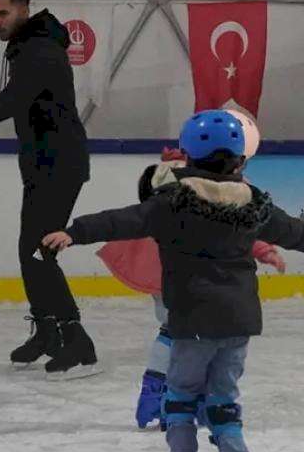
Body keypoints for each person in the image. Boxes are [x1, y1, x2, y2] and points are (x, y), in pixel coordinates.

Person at [42, 110, 304, 452]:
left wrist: (75, 232)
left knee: (181, 401)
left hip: (192, 321)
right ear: (241, 158)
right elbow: (291, 230)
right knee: (223, 401)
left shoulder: (173, 202)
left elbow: (124, 219)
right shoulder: (254, 203)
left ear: (187, 154)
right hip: (239, 323)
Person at [0, 0, 96, 378]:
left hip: (58, 164)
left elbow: (18, 96)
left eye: (3, 13)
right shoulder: (29, 46)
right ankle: (47, 331)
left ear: (24, 10)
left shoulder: (41, 50)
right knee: (28, 250)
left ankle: (77, 340)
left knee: (38, 251)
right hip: (44, 164)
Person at [95, 146, 286, 431]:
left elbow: (139, 216)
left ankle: (162, 390)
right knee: (187, 332)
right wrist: (265, 250)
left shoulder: (166, 177)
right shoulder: (213, 184)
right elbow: (237, 223)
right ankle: (171, 392)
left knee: (175, 330)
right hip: (188, 270)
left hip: (164, 267)